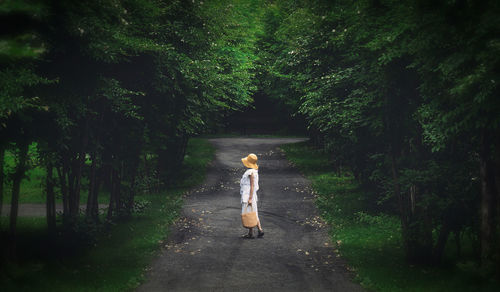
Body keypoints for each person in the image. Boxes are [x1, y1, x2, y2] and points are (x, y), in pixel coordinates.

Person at [240, 153, 264, 238]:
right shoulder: (254, 171)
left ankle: (252, 233)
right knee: (253, 212)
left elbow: (252, 185)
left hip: (248, 195)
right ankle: (259, 229)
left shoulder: (250, 172)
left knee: (249, 213)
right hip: (251, 195)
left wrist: (249, 198)